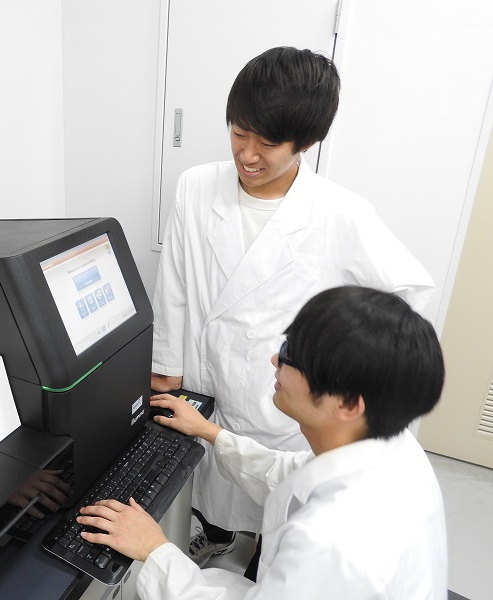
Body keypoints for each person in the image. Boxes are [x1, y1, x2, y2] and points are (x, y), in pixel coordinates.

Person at [150, 46, 435, 566]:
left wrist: (343, 375)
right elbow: (174, 284)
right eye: (239, 133)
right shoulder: (196, 186)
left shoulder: (339, 213)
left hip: (277, 396)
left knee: (281, 513)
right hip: (207, 378)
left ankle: (266, 560)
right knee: (211, 481)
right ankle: (217, 534)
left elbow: (409, 293)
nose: (248, 155)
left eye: (269, 143)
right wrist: (165, 368)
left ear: (306, 142)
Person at [79, 285, 447, 599]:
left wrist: (154, 550)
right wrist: (208, 431)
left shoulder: (334, 543)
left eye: (290, 357)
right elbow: (285, 473)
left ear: (349, 404)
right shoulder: (392, 446)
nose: (274, 359)